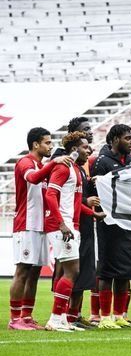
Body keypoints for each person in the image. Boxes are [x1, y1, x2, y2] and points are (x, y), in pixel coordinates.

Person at [9, 128, 73, 330]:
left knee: (35, 271)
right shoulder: (25, 162)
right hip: (26, 225)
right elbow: (33, 178)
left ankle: (26, 316)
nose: (50, 146)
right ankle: (14, 319)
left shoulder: (42, 165)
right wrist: (54, 162)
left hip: (41, 226)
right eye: (47, 143)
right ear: (35, 144)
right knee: (22, 270)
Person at [44, 131, 104, 332]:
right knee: (72, 271)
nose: (90, 149)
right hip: (62, 226)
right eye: (86, 147)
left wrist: (92, 214)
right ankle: (54, 319)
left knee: (71, 271)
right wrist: (61, 223)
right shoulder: (63, 166)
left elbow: (76, 202)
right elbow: (50, 195)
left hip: (72, 225)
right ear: (74, 149)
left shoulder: (77, 169)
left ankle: (62, 319)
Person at [93, 124, 131, 329]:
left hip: (129, 222)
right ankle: (104, 317)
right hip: (109, 224)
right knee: (107, 271)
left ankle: (119, 315)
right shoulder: (102, 162)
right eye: (127, 138)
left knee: (126, 271)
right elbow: (94, 190)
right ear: (114, 140)